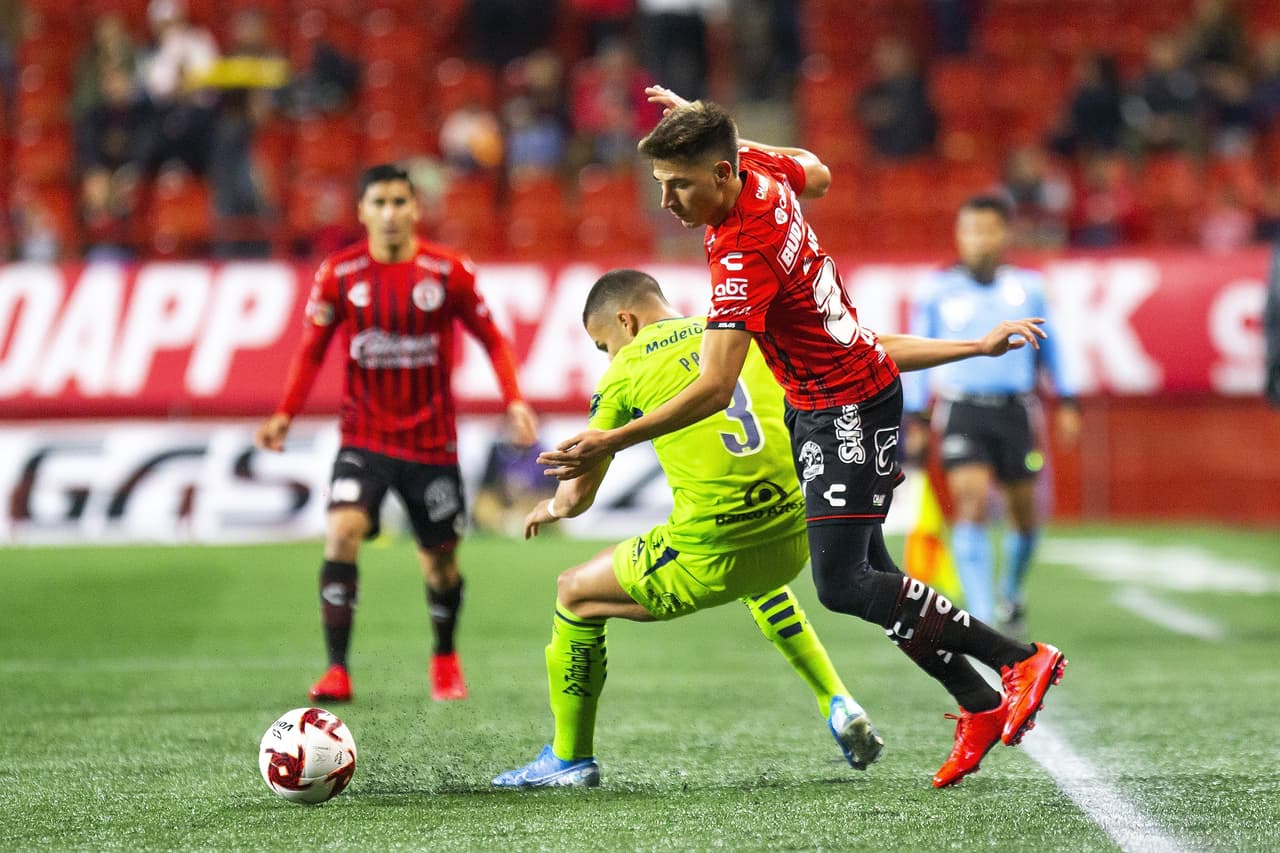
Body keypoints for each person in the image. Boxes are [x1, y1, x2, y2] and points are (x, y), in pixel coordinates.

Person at [539, 89, 1068, 788]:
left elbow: (713, 389)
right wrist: (711, 122)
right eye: (661, 185)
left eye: (679, 185)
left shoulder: (738, 255)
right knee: (874, 569)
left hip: (844, 407)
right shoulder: (762, 173)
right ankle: (976, 700)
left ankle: (1018, 657)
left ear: (721, 176)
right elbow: (817, 172)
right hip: (836, 396)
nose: (666, 202)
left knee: (843, 582)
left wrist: (610, 440)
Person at [493, 269, 885, 788]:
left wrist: (556, 508)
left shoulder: (625, 369)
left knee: (575, 594)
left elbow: (579, 494)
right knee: (759, 580)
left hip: (715, 549)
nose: (607, 356)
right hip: (796, 536)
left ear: (625, 321)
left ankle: (569, 759)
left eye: (603, 344)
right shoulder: (738, 335)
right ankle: (838, 700)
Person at [255, 164, 538, 703]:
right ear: (362, 211)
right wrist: (284, 414)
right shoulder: (338, 274)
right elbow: (311, 350)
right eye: (378, 202)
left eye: (398, 202)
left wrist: (515, 399)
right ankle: (337, 669)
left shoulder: (446, 271)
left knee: (440, 562)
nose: (389, 213)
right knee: (342, 530)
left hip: (432, 444)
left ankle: (444, 657)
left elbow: (493, 339)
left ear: (415, 209)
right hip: (364, 438)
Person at [902, 195, 1081, 637]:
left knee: (1025, 515)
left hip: (1016, 411)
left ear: (1004, 234)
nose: (979, 240)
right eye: (970, 231)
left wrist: (1069, 401)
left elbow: (1053, 346)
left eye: (987, 230)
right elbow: (917, 350)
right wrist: (917, 417)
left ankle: (1011, 592)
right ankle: (981, 612)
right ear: (959, 236)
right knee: (971, 501)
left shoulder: (1029, 287)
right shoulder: (936, 290)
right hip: (962, 408)